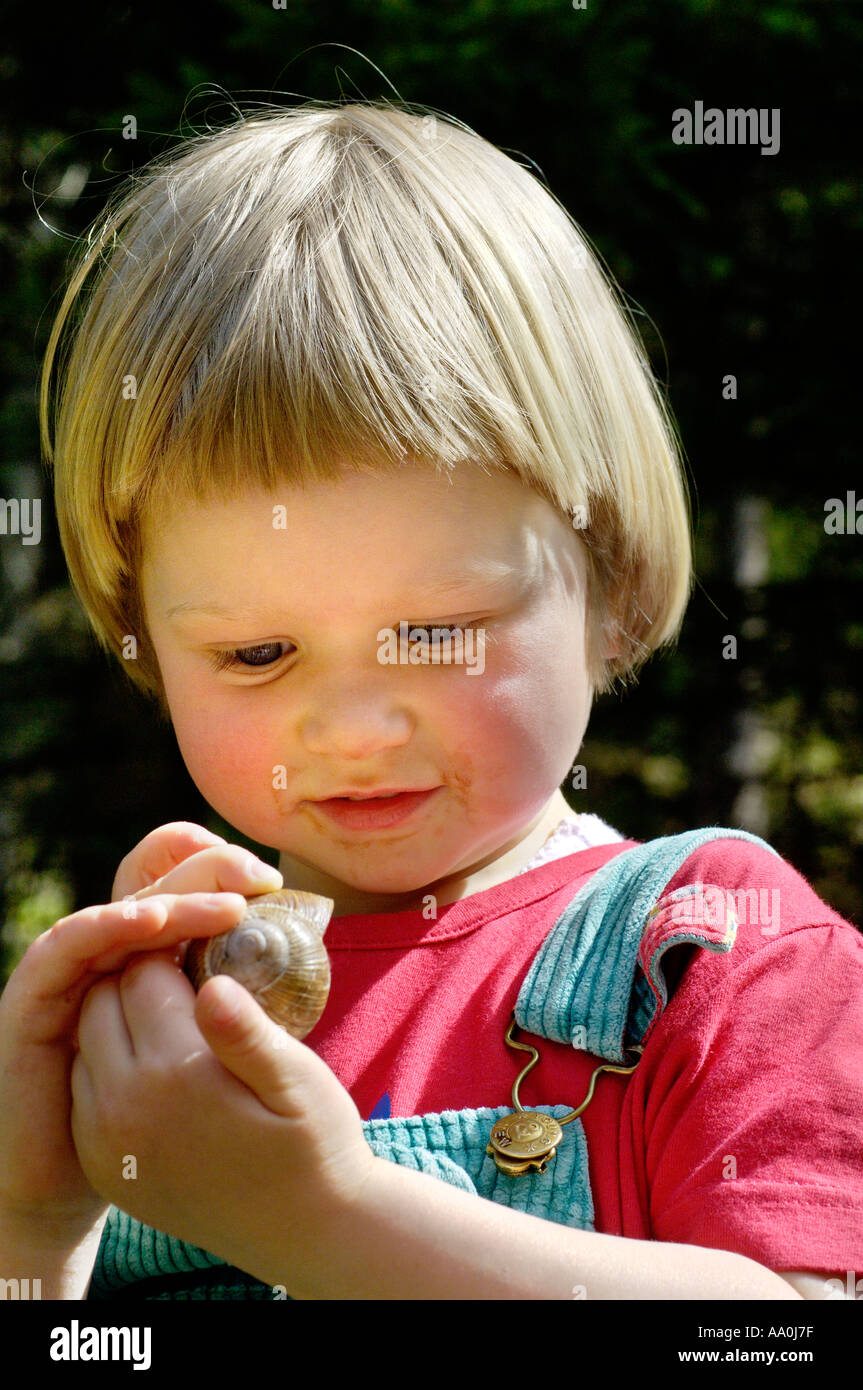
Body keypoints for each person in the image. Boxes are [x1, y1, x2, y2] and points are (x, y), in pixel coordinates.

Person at [2, 99, 860, 1301]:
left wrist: (324, 1220)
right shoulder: (165, 1012)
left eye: (441, 633)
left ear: (607, 585)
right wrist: (36, 1231)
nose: (352, 728)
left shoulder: (708, 951)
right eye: (255, 654)